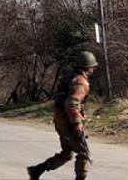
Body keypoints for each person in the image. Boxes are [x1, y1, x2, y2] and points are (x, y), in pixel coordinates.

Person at [27, 51, 98, 180]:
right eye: (92, 67)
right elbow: (72, 104)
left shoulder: (71, 77)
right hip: (69, 122)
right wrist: (77, 124)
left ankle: (37, 170)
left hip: (60, 120)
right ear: (87, 67)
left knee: (67, 153)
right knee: (83, 153)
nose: (93, 69)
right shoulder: (81, 82)